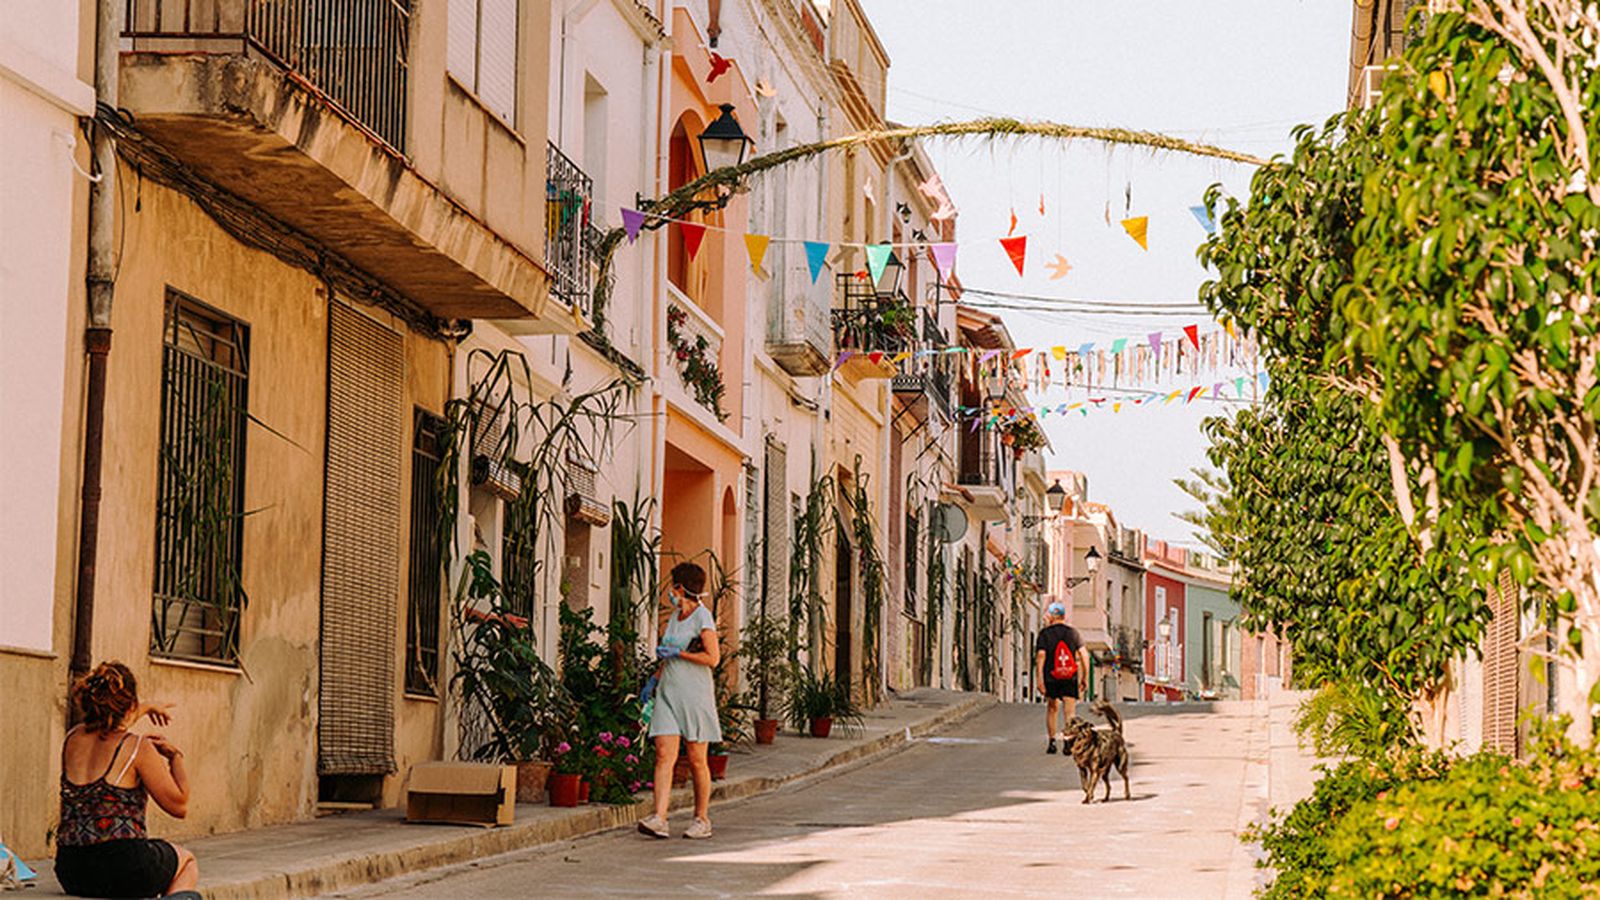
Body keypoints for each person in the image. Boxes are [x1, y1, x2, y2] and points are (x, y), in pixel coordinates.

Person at [56, 661, 196, 898]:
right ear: (130, 705)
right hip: (126, 866)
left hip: (72, 871)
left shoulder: (73, 739)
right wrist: (175, 758)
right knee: (187, 862)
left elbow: (111, 725)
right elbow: (179, 806)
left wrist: (147, 707)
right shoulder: (137, 747)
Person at [637, 562, 722, 840]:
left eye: (674, 586)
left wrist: (680, 654)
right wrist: (655, 679)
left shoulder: (702, 618)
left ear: (681, 588)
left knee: (697, 759)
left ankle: (701, 819)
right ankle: (659, 818)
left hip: (694, 695)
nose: (671, 591)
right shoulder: (675, 617)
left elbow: (713, 658)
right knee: (664, 753)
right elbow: (667, 653)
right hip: (668, 692)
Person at [1034, 603, 1085, 755]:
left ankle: (1052, 742)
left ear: (1051, 616)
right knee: (1069, 711)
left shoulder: (1045, 634)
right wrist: (1084, 677)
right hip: (1069, 676)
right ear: (1064, 616)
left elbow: (1041, 656)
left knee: (1052, 708)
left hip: (1051, 676)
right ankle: (1068, 742)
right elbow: (1084, 655)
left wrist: (1039, 679)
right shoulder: (1073, 633)